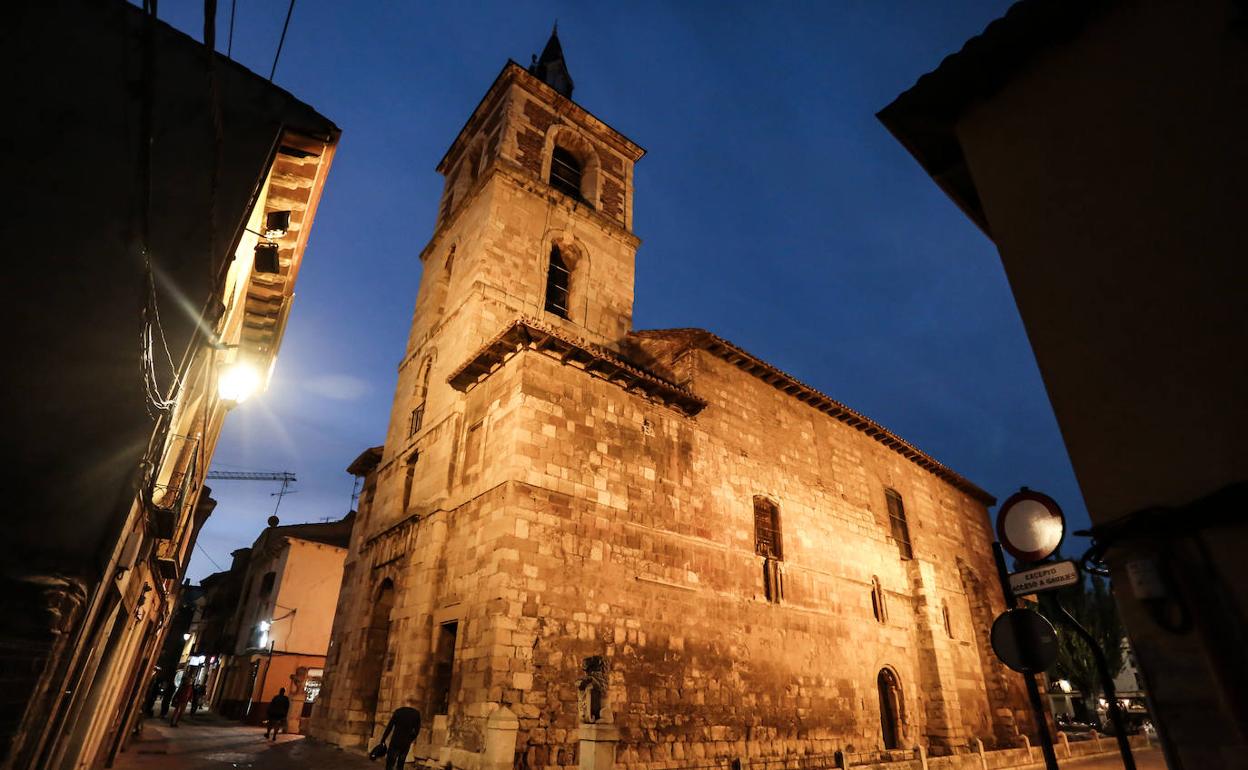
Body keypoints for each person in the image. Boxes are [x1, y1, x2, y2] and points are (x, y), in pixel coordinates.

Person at [379, 699, 422, 769]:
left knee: (390, 763)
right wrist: (411, 739)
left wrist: (383, 739)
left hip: (395, 740)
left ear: (405, 703)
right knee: (401, 764)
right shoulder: (416, 714)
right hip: (406, 742)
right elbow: (417, 730)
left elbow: (390, 727)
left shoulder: (398, 712)